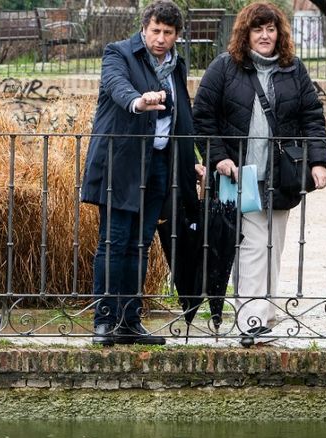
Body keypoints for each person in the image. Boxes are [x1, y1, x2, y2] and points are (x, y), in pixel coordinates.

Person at [192, 1, 326, 346]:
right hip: (240, 175)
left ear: (279, 33)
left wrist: (319, 161)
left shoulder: (293, 69)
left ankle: (262, 316)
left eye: (271, 29)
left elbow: (312, 116)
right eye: (258, 29)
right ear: (246, 33)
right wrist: (218, 158)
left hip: (281, 174)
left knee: (272, 245)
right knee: (253, 245)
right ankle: (251, 321)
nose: (265, 35)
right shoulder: (225, 68)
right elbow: (202, 118)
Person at [81, 0, 200, 346]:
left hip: (159, 164)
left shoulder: (176, 66)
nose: (161, 39)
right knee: (113, 242)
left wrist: (191, 160)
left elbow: (183, 117)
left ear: (177, 35)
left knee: (140, 245)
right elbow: (117, 87)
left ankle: (130, 322)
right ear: (144, 28)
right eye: (156, 31)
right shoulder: (118, 53)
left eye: (168, 33)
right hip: (122, 162)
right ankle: (105, 321)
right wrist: (138, 100)